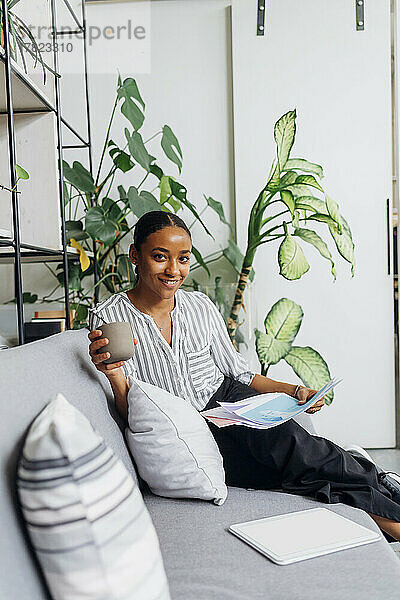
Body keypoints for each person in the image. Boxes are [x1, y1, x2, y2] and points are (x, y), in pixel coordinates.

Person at [88, 210, 400, 541]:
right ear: (135, 256)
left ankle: (391, 518)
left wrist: (294, 391)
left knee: (299, 449)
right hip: (190, 428)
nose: (173, 270)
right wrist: (113, 374)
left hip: (231, 401)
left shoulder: (200, 307)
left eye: (183, 259)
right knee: (284, 468)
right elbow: (130, 409)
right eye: (160, 257)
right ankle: (377, 485)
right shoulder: (109, 318)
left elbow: (241, 373)